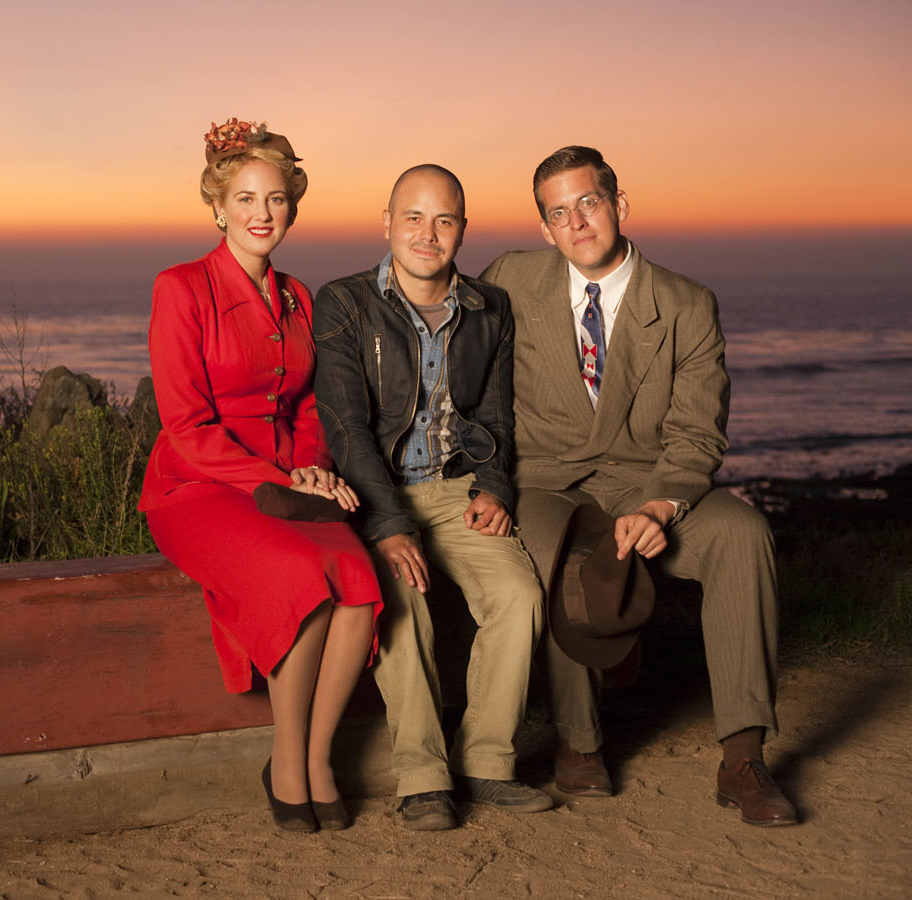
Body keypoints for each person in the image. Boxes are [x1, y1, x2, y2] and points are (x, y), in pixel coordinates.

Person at [481, 145, 797, 827]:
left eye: (588, 203)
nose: (577, 224)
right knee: (561, 550)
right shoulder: (509, 280)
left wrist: (661, 504)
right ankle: (579, 741)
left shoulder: (685, 304)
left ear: (619, 206)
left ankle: (743, 757)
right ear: (544, 228)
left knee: (744, 535)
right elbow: (455, 359)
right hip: (547, 483)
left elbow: (697, 434)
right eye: (558, 213)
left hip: (648, 481)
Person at [139, 119, 382, 833]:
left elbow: (311, 406)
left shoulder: (300, 297)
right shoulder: (180, 288)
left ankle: (316, 758)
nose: (261, 214)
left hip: (289, 480)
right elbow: (185, 426)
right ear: (217, 206)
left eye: (275, 199)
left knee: (360, 585)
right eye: (245, 198)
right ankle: (285, 761)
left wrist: (312, 468)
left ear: (292, 208)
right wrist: (278, 480)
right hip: (197, 485)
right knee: (299, 577)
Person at [312, 165, 549, 831]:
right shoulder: (345, 302)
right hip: (375, 491)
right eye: (412, 217)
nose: (427, 232)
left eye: (443, 219)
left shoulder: (489, 308)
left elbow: (498, 418)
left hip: (456, 490)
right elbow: (347, 425)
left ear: (462, 231)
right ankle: (422, 777)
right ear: (386, 224)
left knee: (519, 597)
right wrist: (388, 523)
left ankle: (487, 762)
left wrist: (496, 486)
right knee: (402, 602)